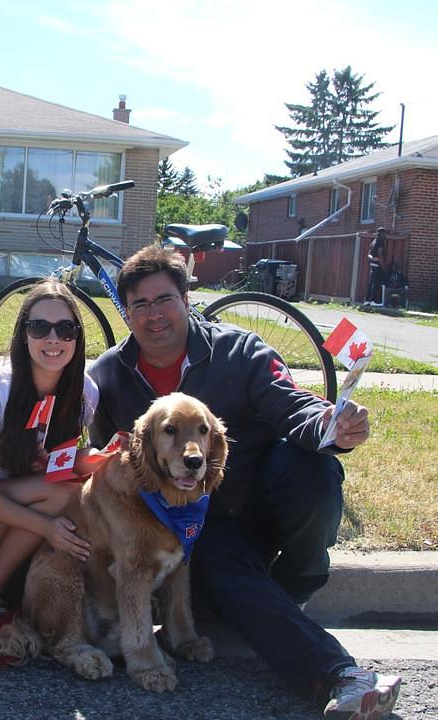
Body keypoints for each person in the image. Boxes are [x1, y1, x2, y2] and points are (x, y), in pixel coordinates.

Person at [88, 245, 401, 719]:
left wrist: (332, 426)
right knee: (224, 571)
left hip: (256, 499)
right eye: (141, 305)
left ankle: (291, 589)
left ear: (187, 299)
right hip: (194, 527)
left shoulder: (241, 351)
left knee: (312, 469)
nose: (155, 315)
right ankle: (338, 675)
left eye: (165, 300)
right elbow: (92, 458)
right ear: (126, 313)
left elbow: (293, 405)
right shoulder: (109, 374)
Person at [0, 279, 96, 631]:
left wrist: (90, 458)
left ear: (77, 336)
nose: (53, 339)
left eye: (65, 329)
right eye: (39, 327)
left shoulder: (86, 391)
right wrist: (46, 527)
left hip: (27, 499)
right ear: (23, 334)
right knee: (62, 492)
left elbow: (61, 464)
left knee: (77, 485)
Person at [365, 227, 387, 305]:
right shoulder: (380, 242)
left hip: (372, 265)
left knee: (371, 283)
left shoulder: (373, 241)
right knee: (376, 283)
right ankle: (374, 301)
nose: (385, 235)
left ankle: (367, 300)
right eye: (384, 234)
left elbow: (369, 255)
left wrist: (372, 259)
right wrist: (383, 266)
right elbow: (380, 255)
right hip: (378, 266)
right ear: (381, 234)